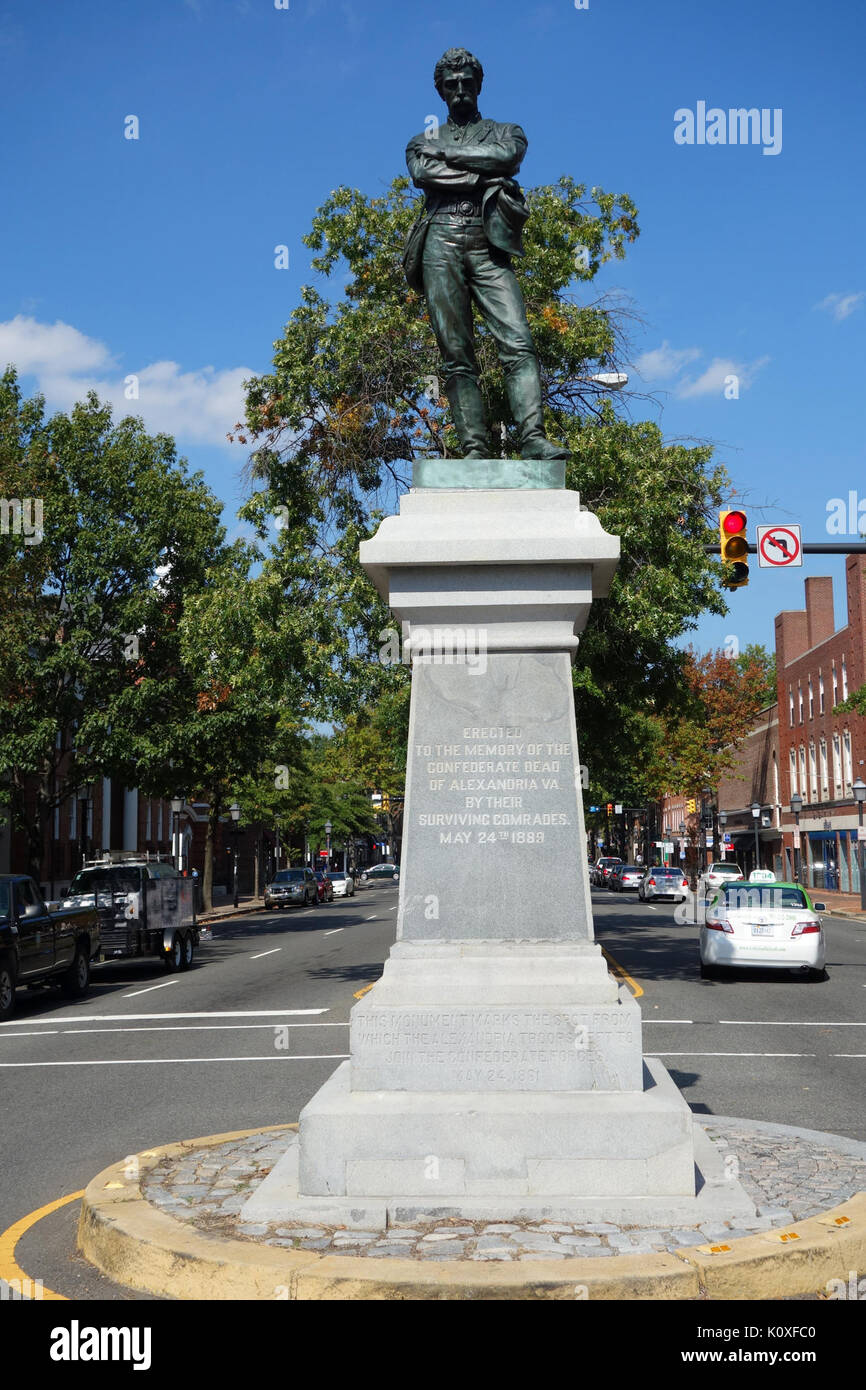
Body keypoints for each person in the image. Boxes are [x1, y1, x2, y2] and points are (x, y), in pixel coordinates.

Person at [404, 48, 569, 462]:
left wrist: (452, 158)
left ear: (479, 85)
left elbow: (508, 157)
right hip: (439, 242)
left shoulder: (506, 130)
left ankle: (532, 439)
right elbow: (423, 173)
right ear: (440, 90)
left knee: (518, 342)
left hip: (487, 242)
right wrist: (484, 172)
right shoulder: (422, 142)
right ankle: (474, 449)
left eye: (466, 82)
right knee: (456, 354)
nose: (459, 90)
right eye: (450, 84)